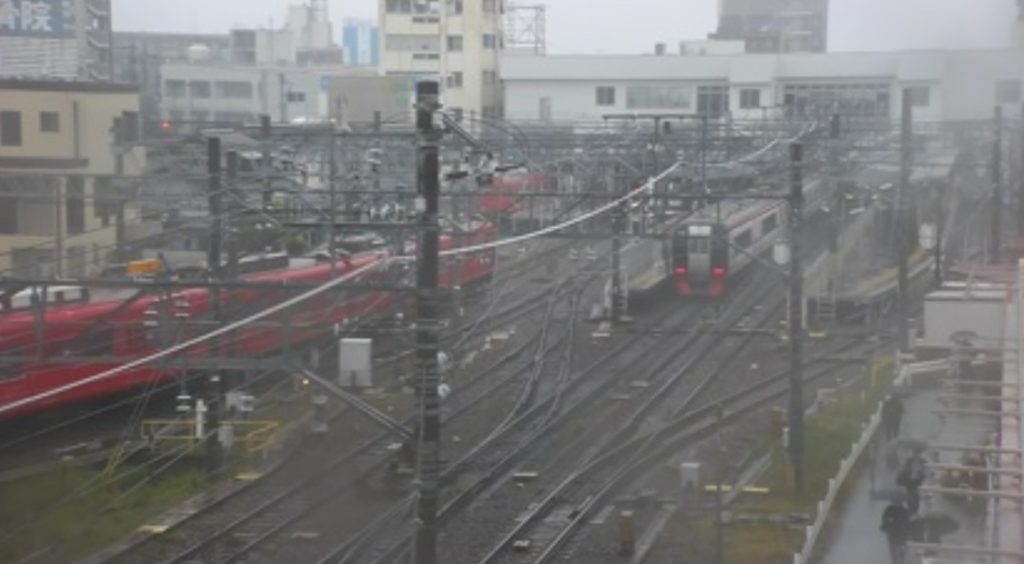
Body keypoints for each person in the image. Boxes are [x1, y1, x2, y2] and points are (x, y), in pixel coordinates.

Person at [898, 448, 927, 514]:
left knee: (915, 498)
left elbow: (925, 472)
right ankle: (911, 511)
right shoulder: (909, 460)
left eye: (917, 453)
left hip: (916, 482)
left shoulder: (922, 461)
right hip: (909, 481)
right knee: (911, 497)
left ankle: (914, 511)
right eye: (915, 453)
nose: (916, 454)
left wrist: (920, 472)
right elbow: (904, 470)